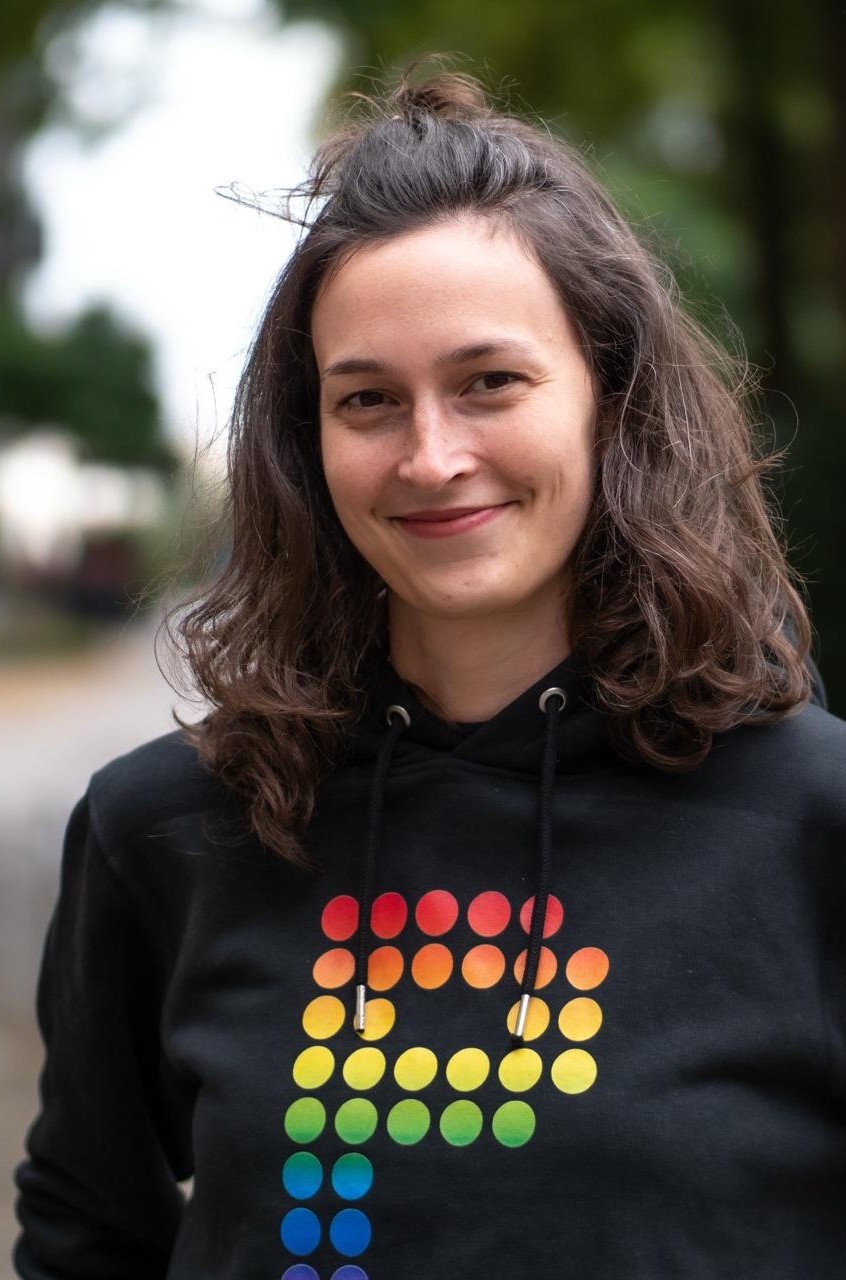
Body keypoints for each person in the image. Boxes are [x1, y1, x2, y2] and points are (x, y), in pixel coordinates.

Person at [13, 69, 846, 1280]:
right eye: (367, 399)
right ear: (307, 441)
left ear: (610, 398)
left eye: (489, 381)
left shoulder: (813, 822)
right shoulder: (165, 831)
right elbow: (83, 1231)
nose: (431, 454)